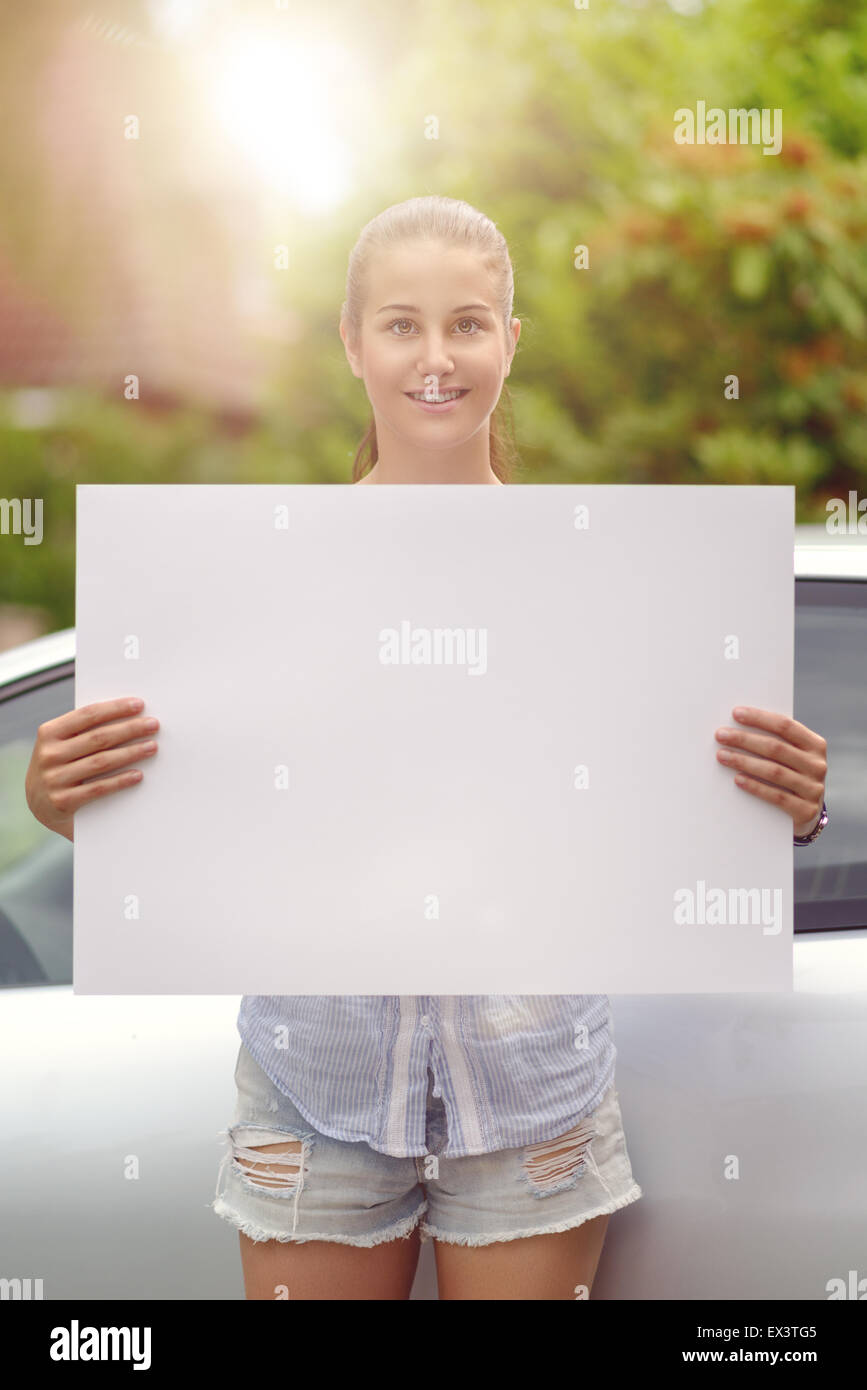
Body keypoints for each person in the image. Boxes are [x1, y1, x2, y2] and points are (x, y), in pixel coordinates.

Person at [25, 196, 828, 1301]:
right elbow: (185, 806)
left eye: (469, 323)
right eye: (401, 324)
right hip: (318, 1080)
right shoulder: (252, 584)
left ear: (510, 340)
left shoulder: (601, 582)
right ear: (352, 345)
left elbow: (659, 811)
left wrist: (782, 803)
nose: (437, 356)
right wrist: (65, 797)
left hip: (533, 1084)